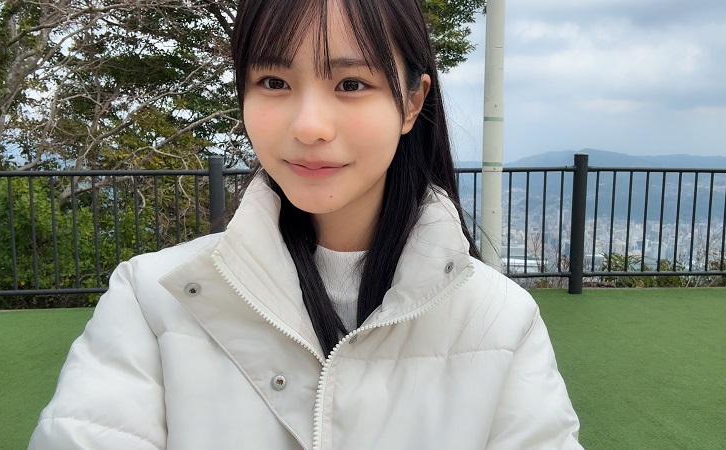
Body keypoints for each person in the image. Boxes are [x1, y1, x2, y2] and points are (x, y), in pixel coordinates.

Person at [29, 0, 582, 448]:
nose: (310, 126)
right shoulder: (152, 299)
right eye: (273, 81)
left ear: (413, 102)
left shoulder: (500, 322)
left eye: (351, 84)